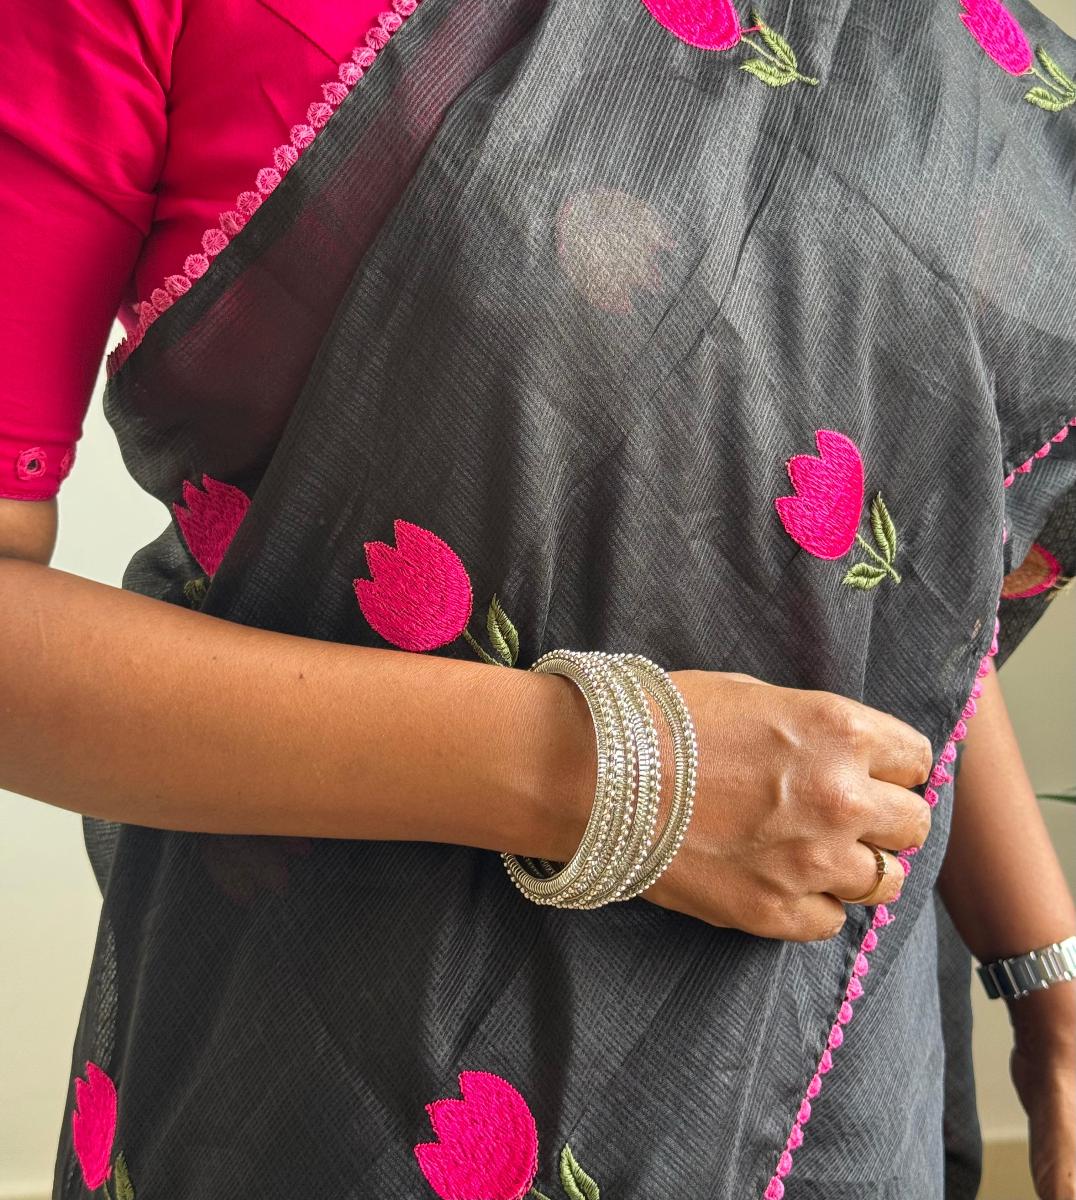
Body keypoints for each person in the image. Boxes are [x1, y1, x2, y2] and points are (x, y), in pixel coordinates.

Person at [1, 0, 1074, 1197]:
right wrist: (617, 774)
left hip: (816, 1071)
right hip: (333, 1062)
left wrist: (1045, 976)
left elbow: (879, 533)